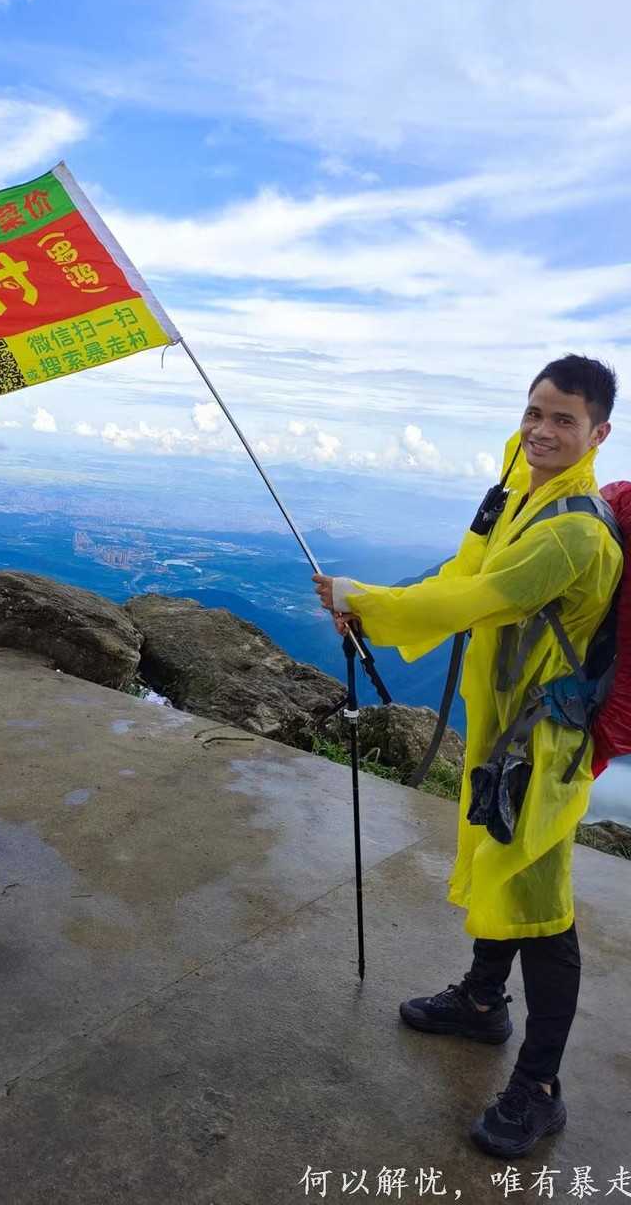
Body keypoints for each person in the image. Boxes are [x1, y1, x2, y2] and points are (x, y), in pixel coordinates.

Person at [312, 354, 621, 1159]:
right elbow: (463, 569)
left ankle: (541, 1087)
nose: (542, 430)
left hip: (543, 747)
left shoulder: (575, 532)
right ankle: (483, 1005)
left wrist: (366, 603)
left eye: (564, 420)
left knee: (541, 903)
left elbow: (478, 598)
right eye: (535, 412)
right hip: (502, 729)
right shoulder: (516, 488)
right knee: (496, 857)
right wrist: (371, 605)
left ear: (600, 434)